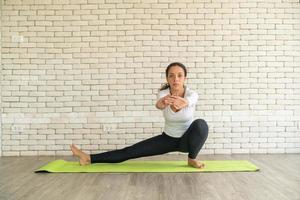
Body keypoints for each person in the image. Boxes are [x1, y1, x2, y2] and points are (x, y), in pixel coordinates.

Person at [70, 62, 209, 168]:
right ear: (167, 78)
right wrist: (164, 102)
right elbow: (159, 104)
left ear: (185, 78)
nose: (175, 79)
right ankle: (88, 158)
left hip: (187, 141)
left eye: (179, 75)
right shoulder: (163, 94)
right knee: (129, 151)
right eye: (171, 76)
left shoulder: (192, 94)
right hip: (167, 139)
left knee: (201, 124)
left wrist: (183, 102)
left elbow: (190, 100)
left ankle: (192, 158)